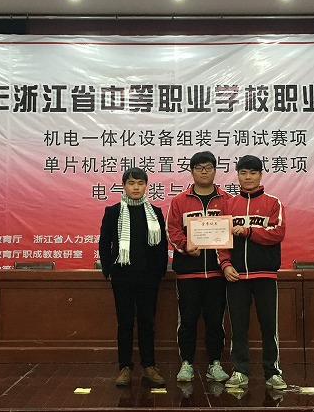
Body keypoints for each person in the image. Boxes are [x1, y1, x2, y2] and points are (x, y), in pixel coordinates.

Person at [218, 155, 287, 390]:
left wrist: (249, 231)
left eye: (253, 173)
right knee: (238, 327)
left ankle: (273, 372)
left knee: (269, 327)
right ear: (237, 175)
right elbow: (221, 240)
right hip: (236, 277)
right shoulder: (229, 205)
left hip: (265, 276)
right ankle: (240, 371)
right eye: (243, 172)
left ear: (260, 175)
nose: (248, 177)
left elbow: (277, 233)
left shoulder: (273, 203)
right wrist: (225, 264)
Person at [99, 167, 168, 387]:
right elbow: (104, 242)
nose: (136, 187)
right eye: (131, 183)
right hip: (122, 277)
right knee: (125, 323)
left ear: (146, 186)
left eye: (140, 183)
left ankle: (149, 366)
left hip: (149, 277)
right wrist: (108, 269)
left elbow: (162, 245)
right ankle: (125, 367)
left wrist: (159, 271)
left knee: (147, 322)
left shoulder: (155, 212)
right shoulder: (113, 211)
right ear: (124, 186)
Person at [166, 151, 232, 383]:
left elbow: (230, 232)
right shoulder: (179, 201)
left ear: (215, 170)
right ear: (192, 171)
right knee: (187, 321)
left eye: (208, 167)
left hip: (217, 273)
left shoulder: (226, 200)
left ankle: (215, 363)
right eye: (199, 167)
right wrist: (185, 246)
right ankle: (186, 363)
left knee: (215, 321)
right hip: (188, 273)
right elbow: (172, 230)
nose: (204, 172)